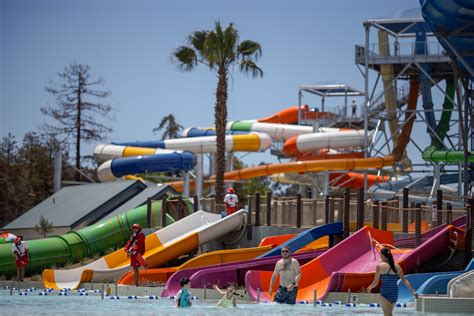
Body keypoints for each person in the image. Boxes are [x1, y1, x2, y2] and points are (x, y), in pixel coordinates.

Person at [366, 247, 418, 316]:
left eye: (380, 255)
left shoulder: (380, 266)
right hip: (394, 294)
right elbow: (404, 280)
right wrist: (413, 291)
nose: (380, 257)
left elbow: (375, 282)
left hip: (385, 294)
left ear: (382, 255)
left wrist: (369, 288)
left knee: (388, 315)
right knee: (388, 314)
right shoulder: (397, 266)